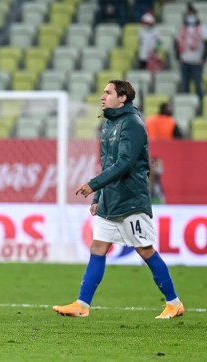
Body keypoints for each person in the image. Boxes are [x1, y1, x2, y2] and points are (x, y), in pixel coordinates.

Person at [53, 80, 184, 319]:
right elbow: (108, 164)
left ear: (122, 98)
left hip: (131, 200)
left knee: (145, 250)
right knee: (98, 247)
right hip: (110, 200)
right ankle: (82, 305)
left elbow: (124, 164)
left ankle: (174, 303)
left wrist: (93, 185)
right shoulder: (110, 124)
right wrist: (99, 196)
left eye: (108, 92)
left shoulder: (132, 124)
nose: (102, 96)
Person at [175, 4, 207, 103]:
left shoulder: (202, 28)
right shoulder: (182, 27)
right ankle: (186, 104)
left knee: (198, 84)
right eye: (188, 15)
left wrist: (203, 57)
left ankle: (200, 105)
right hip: (185, 61)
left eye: (192, 15)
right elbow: (176, 42)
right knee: (185, 85)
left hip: (197, 61)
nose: (190, 17)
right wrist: (178, 56)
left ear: (196, 15)